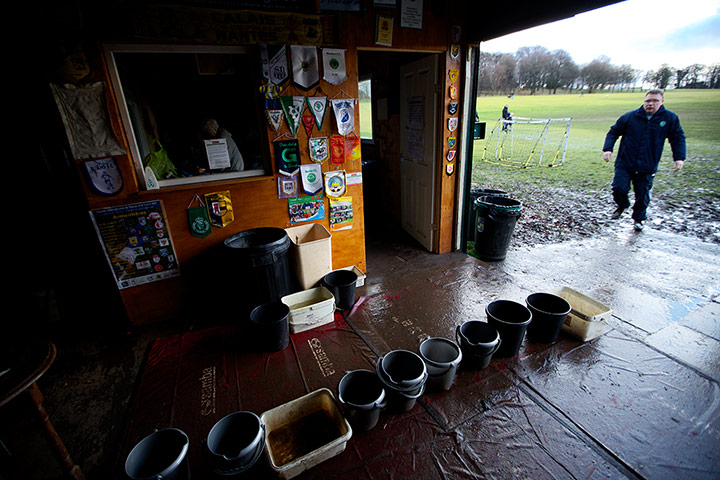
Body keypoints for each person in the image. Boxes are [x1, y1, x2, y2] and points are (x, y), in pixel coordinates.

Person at [602, 89, 686, 231]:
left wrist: (679, 158)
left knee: (642, 194)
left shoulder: (669, 119)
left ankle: (638, 219)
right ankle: (622, 205)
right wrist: (608, 148)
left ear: (662, 101)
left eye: (655, 101)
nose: (650, 104)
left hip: (648, 164)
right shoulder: (631, 117)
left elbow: (677, 138)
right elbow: (613, 131)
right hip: (625, 162)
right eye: (648, 101)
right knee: (618, 188)